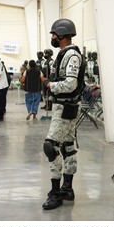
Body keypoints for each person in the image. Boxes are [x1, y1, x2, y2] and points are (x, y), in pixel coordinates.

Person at [42, 19, 86, 210]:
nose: (52, 37)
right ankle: (67, 188)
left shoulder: (72, 56)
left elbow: (71, 84)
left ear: (61, 35)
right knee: (67, 146)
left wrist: (51, 85)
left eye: (54, 34)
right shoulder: (64, 55)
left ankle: (56, 193)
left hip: (65, 106)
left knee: (50, 146)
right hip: (65, 106)